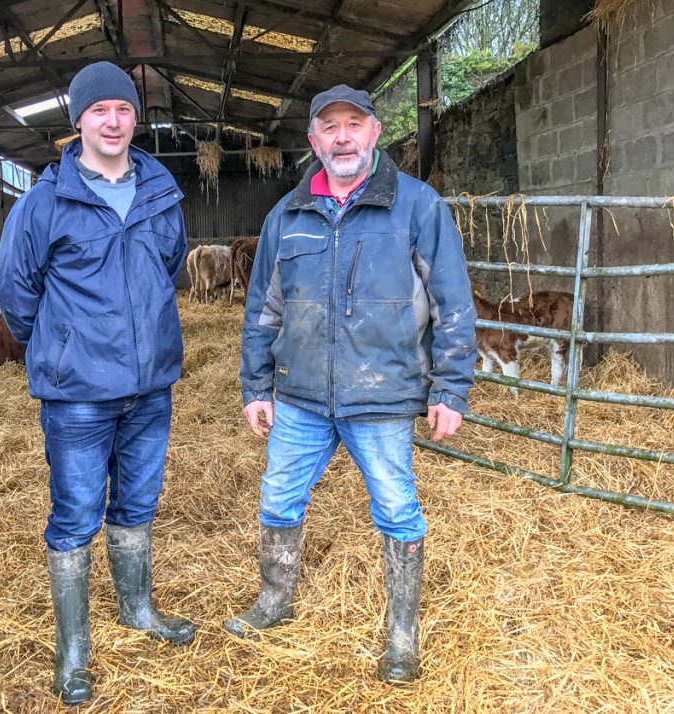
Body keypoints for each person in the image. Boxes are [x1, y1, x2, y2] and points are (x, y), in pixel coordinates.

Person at [226, 84, 477, 683]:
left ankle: (401, 634)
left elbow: (454, 304)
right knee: (278, 498)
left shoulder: (417, 206)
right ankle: (274, 600)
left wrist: (450, 390)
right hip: (302, 396)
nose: (342, 137)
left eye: (353, 125)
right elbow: (263, 310)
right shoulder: (285, 217)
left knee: (396, 507)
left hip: (383, 394)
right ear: (313, 140)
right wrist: (255, 386)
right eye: (329, 127)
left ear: (374, 133)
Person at [0, 61, 194, 705]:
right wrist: (60, 345)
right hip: (77, 392)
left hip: (150, 387)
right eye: (100, 109)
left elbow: (169, 266)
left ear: (137, 119)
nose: (113, 121)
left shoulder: (162, 190)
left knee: (137, 505)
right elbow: (15, 291)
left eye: (125, 110)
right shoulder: (43, 203)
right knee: (76, 514)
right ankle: (74, 650)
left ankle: (137, 609)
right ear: (77, 119)